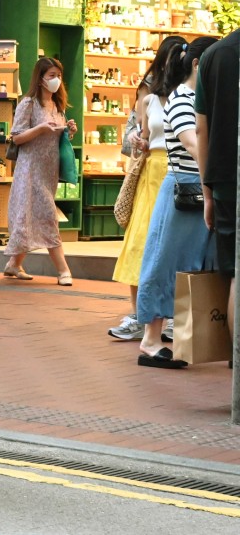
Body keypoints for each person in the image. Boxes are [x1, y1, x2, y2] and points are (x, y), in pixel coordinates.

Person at [134, 37, 218, 367]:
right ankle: (150, 340)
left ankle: (183, 337)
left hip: (197, 189)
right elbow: (196, 147)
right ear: (198, 64)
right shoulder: (182, 99)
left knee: (194, 264)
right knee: (167, 261)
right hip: (185, 190)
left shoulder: (200, 98)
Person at [107, 35, 185, 340]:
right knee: (139, 241)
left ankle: (173, 317)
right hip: (151, 173)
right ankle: (141, 315)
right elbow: (138, 135)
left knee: (174, 244)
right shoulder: (149, 95)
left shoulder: (191, 94)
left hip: (181, 173)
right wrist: (136, 141)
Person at [3, 57, 77, 285]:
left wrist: (68, 130)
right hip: (30, 169)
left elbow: (57, 136)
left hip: (49, 170)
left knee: (29, 216)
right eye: (51, 75)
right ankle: (63, 270)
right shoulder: (29, 103)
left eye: (59, 75)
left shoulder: (57, 105)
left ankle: (14, 264)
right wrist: (41, 128)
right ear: (41, 78)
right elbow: (16, 137)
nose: (56, 80)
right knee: (47, 215)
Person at [195, 26, 240, 361]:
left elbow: (201, 129)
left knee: (236, 276)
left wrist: (207, 194)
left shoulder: (213, 56)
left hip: (226, 184)